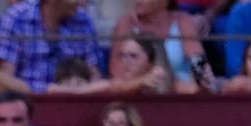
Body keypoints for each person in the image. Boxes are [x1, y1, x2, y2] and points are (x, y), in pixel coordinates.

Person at [0, 0, 105, 93]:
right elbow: (5, 81)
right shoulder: (17, 18)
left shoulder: (83, 20)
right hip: (26, 102)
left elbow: (95, 76)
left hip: (72, 102)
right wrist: (53, 90)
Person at [112, 0, 207, 86]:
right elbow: (116, 73)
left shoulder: (183, 21)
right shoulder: (126, 23)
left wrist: (202, 83)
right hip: (137, 90)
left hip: (180, 90)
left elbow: (197, 59)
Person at [52, 32, 181, 93]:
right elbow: (77, 92)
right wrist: (142, 81)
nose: (125, 62)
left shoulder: (174, 85)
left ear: (152, 62)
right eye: (122, 56)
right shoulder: (110, 86)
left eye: (133, 56)